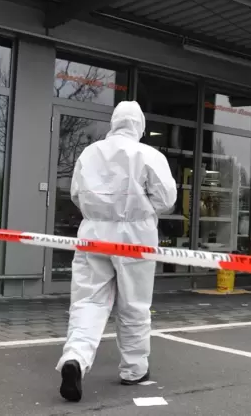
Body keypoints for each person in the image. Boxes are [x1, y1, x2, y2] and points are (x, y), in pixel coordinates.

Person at [57, 101, 176, 402]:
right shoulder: (150, 155)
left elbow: (74, 193)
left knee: (87, 301)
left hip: (93, 233)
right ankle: (134, 370)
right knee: (134, 304)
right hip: (136, 234)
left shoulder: (89, 153)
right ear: (139, 125)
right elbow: (166, 199)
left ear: (113, 122)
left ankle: (75, 358)